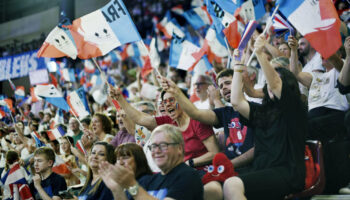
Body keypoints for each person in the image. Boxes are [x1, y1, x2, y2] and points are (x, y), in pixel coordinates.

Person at [222, 35, 307, 200]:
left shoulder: (295, 108)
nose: (270, 84)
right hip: (262, 170)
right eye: (267, 83)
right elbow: (237, 102)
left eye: (275, 79)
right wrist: (238, 68)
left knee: (232, 184)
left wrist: (260, 53)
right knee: (215, 187)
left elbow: (275, 84)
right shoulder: (263, 110)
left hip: (286, 172)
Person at [109, 85, 219, 170]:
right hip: (178, 174)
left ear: (183, 101)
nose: (168, 105)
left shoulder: (197, 120)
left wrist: (189, 163)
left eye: (172, 100)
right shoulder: (167, 121)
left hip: (203, 172)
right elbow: (140, 118)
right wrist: (120, 99)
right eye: (164, 102)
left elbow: (215, 153)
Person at [100, 124, 204, 200]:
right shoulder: (149, 181)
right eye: (153, 146)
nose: (156, 151)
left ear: (179, 148)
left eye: (163, 145)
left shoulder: (189, 176)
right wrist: (117, 189)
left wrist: (132, 185)